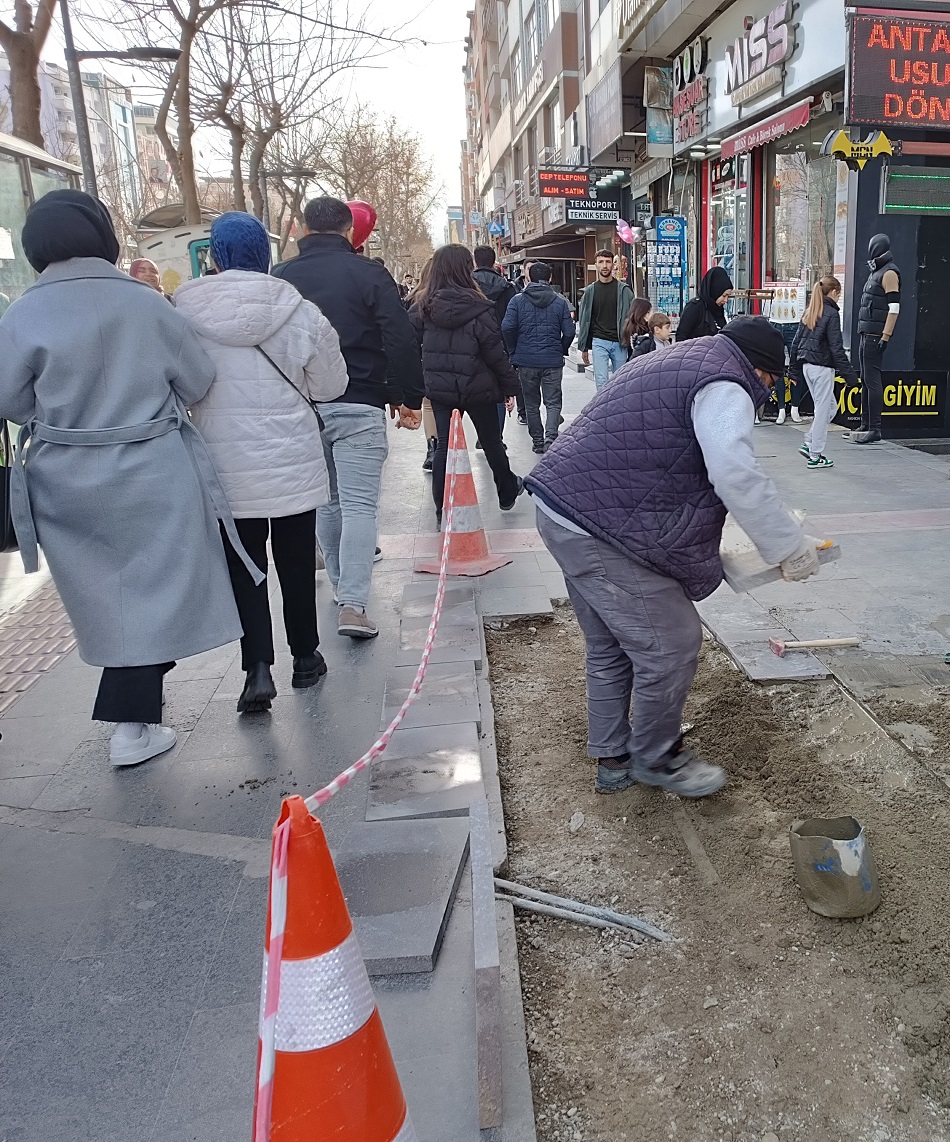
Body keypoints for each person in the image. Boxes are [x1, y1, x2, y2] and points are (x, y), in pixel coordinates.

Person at [0, 190, 260, 767]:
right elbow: (196, 381)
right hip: (152, 470)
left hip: (64, 477)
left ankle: (131, 721)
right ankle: (130, 727)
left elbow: (13, 404)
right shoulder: (148, 306)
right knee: (157, 592)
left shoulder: (21, 314)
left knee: (109, 599)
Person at [525, 316, 825, 799]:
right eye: (770, 381)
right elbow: (734, 471)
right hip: (599, 525)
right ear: (762, 370)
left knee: (611, 645)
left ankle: (614, 756)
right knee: (672, 643)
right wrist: (787, 546)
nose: (767, 390)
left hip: (563, 507)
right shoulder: (726, 381)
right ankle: (657, 756)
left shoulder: (681, 356)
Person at [175, 212, 349, 713]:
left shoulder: (182, 314)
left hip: (223, 466)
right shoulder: (299, 311)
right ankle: (306, 657)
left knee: (245, 567)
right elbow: (332, 386)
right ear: (266, 255)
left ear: (216, 255)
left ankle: (256, 671)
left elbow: (181, 385)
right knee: (296, 561)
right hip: (291, 458)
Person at [272, 196, 424, 640]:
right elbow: (397, 336)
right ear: (349, 230)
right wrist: (407, 395)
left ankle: (341, 588)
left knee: (328, 501)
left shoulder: (281, 278)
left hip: (300, 406)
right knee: (359, 505)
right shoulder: (369, 274)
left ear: (302, 229)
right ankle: (353, 605)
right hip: (359, 400)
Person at [409, 244, 523, 527]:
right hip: (478, 385)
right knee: (491, 441)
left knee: (444, 447)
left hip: (440, 388)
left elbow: (406, 346)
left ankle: (442, 511)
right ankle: (506, 491)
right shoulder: (480, 306)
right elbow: (495, 353)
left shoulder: (422, 307)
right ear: (466, 268)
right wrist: (511, 387)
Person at [501, 260, 575, 454]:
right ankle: (551, 436)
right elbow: (569, 331)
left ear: (528, 277)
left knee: (531, 403)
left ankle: (537, 441)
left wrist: (513, 351)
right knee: (553, 401)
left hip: (526, 360)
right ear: (549, 278)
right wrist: (562, 348)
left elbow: (507, 327)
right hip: (552, 359)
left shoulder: (517, 301)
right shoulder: (559, 302)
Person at [789, 276, 857, 470]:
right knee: (822, 412)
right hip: (822, 368)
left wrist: (793, 372)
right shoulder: (831, 314)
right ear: (834, 292)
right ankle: (815, 454)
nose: (839, 298)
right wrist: (851, 377)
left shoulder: (811, 311)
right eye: (839, 294)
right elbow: (837, 348)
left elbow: (795, 343)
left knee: (830, 409)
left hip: (807, 367)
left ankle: (809, 442)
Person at [851, 233, 901, 445]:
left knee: (872, 381)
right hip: (867, 332)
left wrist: (886, 335)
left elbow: (894, 308)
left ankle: (875, 428)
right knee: (866, 379)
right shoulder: (877, 272)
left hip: (875, 335)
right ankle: (865, 423)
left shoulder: (889, 273)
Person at [473, 245, 518, 429]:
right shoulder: (507, 288)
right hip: (500, 344)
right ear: (494, 262)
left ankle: (482, 434)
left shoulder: (468, 285)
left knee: (475, 389)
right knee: (498, 390)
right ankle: (496, 436)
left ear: (475, 261)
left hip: (472, 343)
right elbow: (513, 320)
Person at [577, 250, 635, 391]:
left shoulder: (624, 291)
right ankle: (604, 411)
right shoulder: (590, 292)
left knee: (620, 382)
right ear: (596, 264)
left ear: (613, 265)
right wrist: (584, 346)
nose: (605, 265)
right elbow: (584, 320)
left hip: (619, 341)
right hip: (599, 341)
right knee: (601, 382)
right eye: (601, 262)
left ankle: (618, 411)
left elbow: (633, 316)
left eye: (608, 262)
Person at [676, 266, 732, 340]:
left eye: (728, 296)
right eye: (724, 295)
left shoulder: (717, 310)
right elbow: (681, 336)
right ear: (715, 291)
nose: (726, 300)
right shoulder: (695, 307)